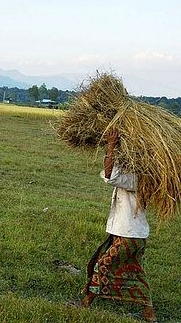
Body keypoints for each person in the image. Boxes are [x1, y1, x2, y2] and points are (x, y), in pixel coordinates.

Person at [73, 129, 157, 322]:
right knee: (137, 271)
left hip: (130, 234)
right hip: (133, 234)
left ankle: (86, 302)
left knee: (103, 265)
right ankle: (149, 313)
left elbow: (110, 175)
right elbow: (111, 174)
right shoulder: (140, 175)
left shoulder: (138, 178)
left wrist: (111, 146)